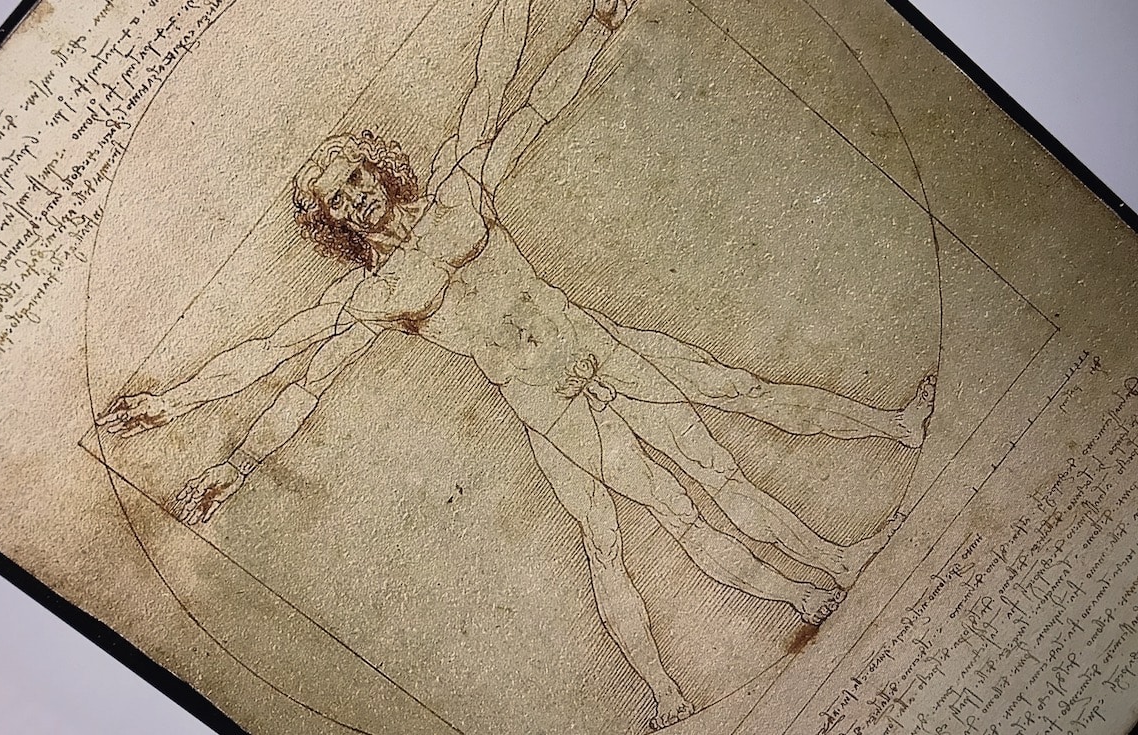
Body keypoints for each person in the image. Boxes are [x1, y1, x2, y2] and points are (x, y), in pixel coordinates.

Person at [98, 0, 935, 727]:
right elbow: (285, 365)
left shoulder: (461, 189)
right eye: (338, 199)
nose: (356, 196)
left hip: (599, 344)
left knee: (735, 405)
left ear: (375, 166)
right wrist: (199, 430)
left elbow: (511, 92)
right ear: (333, 223)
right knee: (656, 517)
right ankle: (707, 660)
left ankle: (875, 466)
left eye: (355, 176)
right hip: (552, 410)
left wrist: (596, 28)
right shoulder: (370, 298)